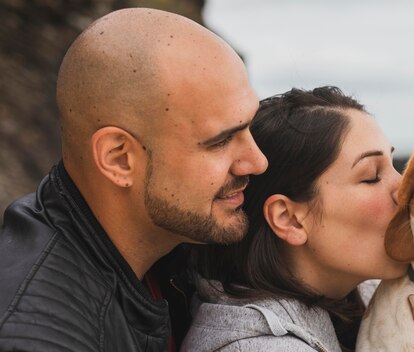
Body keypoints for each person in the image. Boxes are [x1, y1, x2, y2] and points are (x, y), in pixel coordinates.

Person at [0, 8, 267, 351]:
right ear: (119, 159)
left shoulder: (173, 244)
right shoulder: (38, 336)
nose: (257, 162)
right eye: (220, 141)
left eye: (249, 126)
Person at [182, 86, 414, 351]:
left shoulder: (367, 293)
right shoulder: (256, 346)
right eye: (372, 176)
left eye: (396, 167)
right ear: (289, 219)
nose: (409, 191)